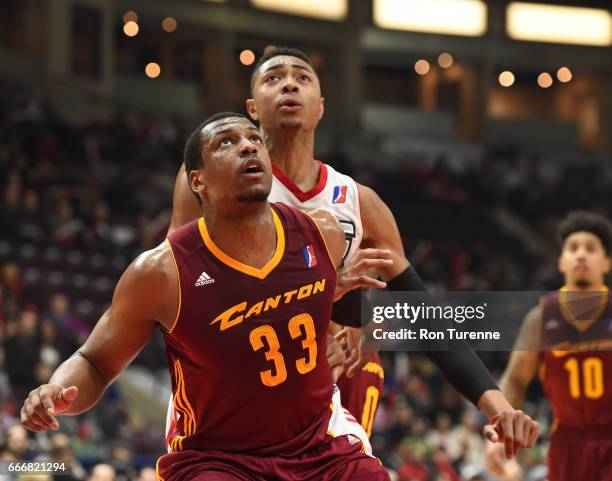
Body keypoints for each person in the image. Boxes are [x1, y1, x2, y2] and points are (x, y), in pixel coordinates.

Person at [166, 47, 540, 456]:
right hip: (241, 372)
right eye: (273, 78)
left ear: (321, 107)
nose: (290, 83)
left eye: (303, 78)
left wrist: (497, 405)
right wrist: (316, 313)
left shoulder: (360, 202)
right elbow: (185, 293)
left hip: (338, 381)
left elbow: (423, 314)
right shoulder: (209, 182)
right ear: (252, 107)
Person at [20, 113, 393, 481]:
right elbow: (95, 362)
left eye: (253, 139)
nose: (247, 145)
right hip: (218, 459)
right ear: (197, 181)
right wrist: (56, 390)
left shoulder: (323, 231)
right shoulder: (160, 273)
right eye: (225, 143)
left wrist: (353, 312)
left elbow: (332, 307)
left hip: (318, 448)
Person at [485, 211, 612, 481]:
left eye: (590, 248)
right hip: (567, 442)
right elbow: (515, 381)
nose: (581, 255)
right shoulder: (541, 318)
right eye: (573, 248)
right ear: (561, 262)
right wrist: (499, 430)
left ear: (606, 263)